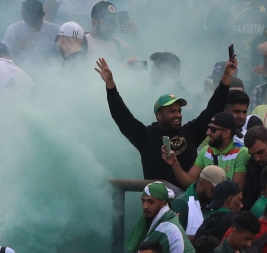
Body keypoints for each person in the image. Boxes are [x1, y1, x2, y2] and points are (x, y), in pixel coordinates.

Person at [97, 49, 233, 182]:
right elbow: (121, 116)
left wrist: (226, 78)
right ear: (159, 115)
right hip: (156, 200)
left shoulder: (190, 132)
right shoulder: (146, 136)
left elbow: (213, 109)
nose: (178, 115)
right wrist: (110, 85)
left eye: (179, 111)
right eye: (172, 111)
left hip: (185, 200)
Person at [2, 0, 59, 65]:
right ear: (24, 18)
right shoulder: (14, 30)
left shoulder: (55, 30)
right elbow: (2, 59)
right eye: (30, 24)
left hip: (49, 70)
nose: (33, 27)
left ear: (43, 14)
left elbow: (62, 56)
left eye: (37, 23)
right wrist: (19, 48)